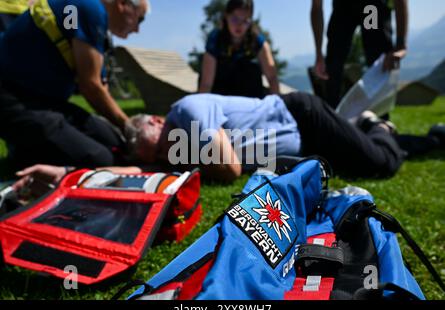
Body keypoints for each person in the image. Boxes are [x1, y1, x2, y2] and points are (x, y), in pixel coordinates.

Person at [13, 92, 444, 186]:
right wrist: (67, 172)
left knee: (380, 165)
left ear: (161, 120)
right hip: (303, 147)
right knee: (363, 157)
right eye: (158, 157)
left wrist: (176, 161)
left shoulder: (186, 110)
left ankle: (379, 126)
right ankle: (429, 139)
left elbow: (229, 168)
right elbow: (135, 170)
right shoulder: (172, 146)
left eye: (163, 145)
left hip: (304, 119)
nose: (168, 157)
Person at [0, 0, 149, 169]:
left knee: (114, 142)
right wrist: (129, 127)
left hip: (46, 102)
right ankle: (24, 152)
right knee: (102, 160)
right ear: (123, 4)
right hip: (13, 100)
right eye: (140, 19)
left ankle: (32, 146)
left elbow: (99, 85)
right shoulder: (90, 8)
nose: (137, 29)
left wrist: (123, 127)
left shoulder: (96, 21)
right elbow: (91, 87)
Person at [311, 0, 408, 108]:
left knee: (377, 59)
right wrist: (319, 53)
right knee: (333, 65)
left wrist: (401, 43)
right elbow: (317, 7)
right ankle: (331, 114)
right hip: (344, 7)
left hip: (370, 6)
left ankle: (380, 117)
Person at [199, 0, 280, 98]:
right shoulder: (216, 39)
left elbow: (272, 77)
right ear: (226, 16)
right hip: (220, 99)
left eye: (245, 20)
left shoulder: (256, 39)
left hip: (250, 99)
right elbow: (206, 83)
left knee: (251, 69)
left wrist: (277, 105)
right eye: (235, 19)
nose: (239, 25)